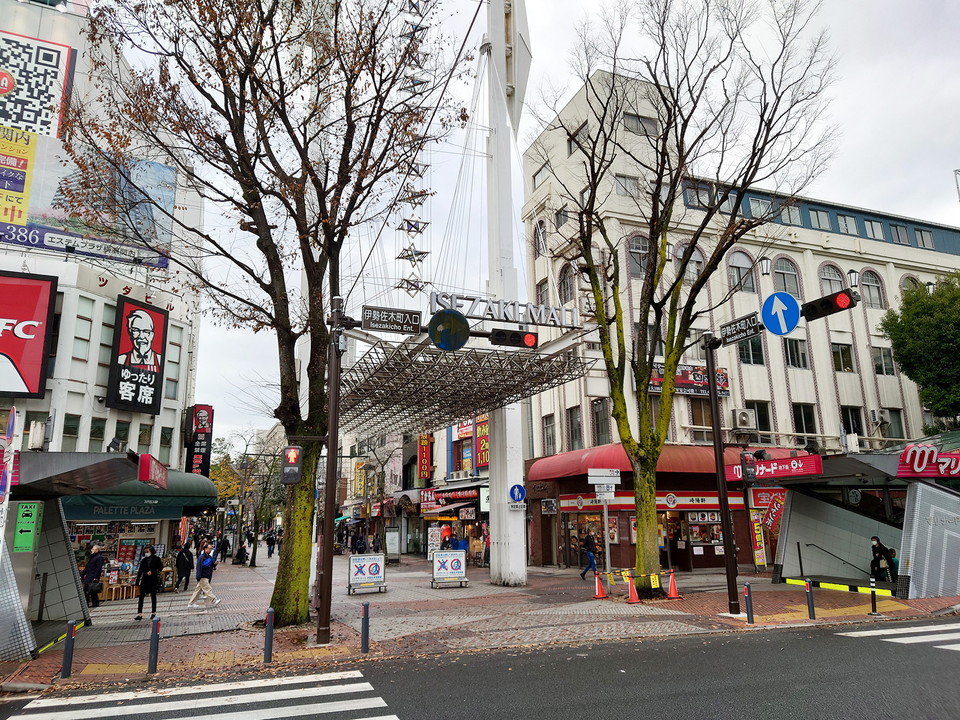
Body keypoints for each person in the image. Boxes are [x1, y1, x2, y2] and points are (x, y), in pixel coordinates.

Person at [188, 542, 221, 608]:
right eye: (209, 548)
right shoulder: (201, 557)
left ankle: (191, 603)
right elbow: (199, 567)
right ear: (205, 549)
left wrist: (215, 564)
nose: (210, 550)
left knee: (197, 591)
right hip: (203, 576)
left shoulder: (209, 557)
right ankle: (214, 600)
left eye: (211, 549)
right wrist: (198, 576)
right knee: (208, 588)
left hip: (206, 575)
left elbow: (211, 565)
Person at [135, 544, 164, 620]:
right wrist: (137, 582)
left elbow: (160, 567)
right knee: (141, 596)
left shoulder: (156, 559)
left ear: (151, 551)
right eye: (145, 552)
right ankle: (139, 613)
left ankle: (153, 613)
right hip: (144, 580)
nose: (146, 553)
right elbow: (140, 571)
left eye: (147, 551)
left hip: (153, 580)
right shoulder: (143, 560)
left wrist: (153, 572)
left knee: (153, 596)